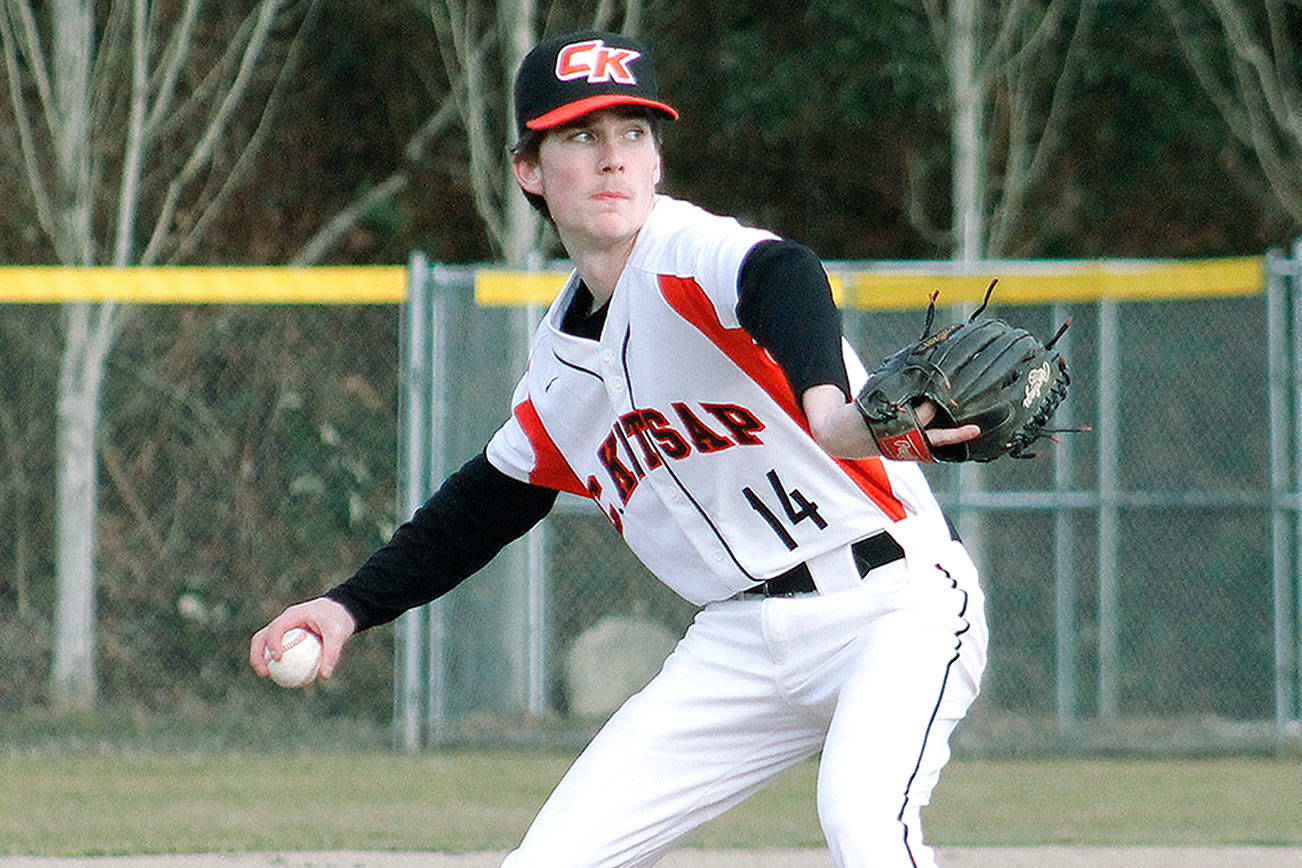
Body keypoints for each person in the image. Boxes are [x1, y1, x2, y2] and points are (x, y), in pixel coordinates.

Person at [250, 30, 988, 868]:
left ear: (658, 161)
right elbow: (492, 497)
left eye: (634, 133)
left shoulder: (687, 255)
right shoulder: (562, 367)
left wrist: (828, 410)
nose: (613, 159)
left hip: (893, 604)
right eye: (580, 135)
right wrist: (347, 608)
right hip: (740, 640)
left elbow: (784, 272)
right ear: (530, 170)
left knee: (864, 824)